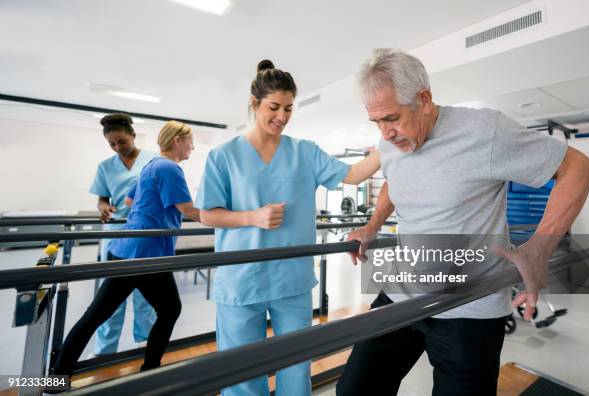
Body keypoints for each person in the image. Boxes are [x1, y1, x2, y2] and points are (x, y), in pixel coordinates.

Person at [336, 48, 589, 396]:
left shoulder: (484, 131)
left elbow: (578, 169)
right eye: (377, 122)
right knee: (354, 390)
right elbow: (394, 182)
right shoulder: (391, 143)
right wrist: (371, 226)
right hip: (401, 293)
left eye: (392, 119)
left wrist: (538, 248)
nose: (386, 133)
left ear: (424, 99)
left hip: (468, 308)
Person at [196, 60, 380, 396]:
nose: (282, 116)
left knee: (296, 369)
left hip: (290, 279)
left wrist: (390, 143)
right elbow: (207, 214)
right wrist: (251, 217)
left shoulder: (304, 152)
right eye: (274, 107)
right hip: (242, 279)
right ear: (254, 104)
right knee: (241, 372)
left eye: (289, 108)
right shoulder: (223, 156)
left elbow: (353, 175)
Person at [53, 120, 201, 379]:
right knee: (169, 309)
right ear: (178, 140)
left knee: (96, 315)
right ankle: (150, 370)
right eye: (190, 141)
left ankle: (57, 376)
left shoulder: (151, 165)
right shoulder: (169, 168)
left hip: (126, 249)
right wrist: (236, 218)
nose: (193, 147)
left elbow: (130, 200)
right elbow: (189, 211)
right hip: (147, 253)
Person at [89, 113, 157, 355]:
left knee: (145, 296)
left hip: (145, 235)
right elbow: (101, 199)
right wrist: (103, 208)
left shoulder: (153, 160)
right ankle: (104, 351)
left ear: (133, 136)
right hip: (116, 235)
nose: (118, 147)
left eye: (122, 142)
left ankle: (145, 344)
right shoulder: (105, 167)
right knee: (111, 299)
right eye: (112, 144)